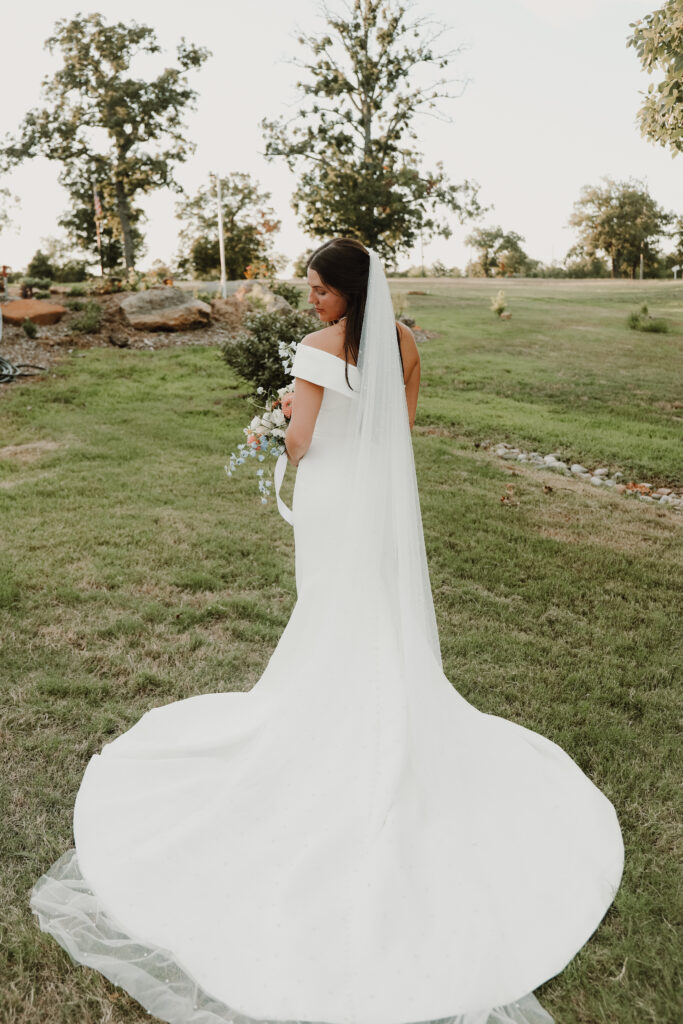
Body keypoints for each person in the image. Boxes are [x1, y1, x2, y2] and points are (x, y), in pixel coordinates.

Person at [31, 238, 624, 1024]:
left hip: (333, 500)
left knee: (330, 609)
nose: (309, 299)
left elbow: (304, 442)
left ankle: (330, 719)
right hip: (372, 503)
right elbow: (400, 425)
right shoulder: (405, 341)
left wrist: (277, 420)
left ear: (346, 291)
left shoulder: (315, 351)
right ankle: (375, 705)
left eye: (317, 288)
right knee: (368, 611)